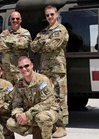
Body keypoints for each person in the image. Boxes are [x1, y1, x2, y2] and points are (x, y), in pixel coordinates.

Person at [30, 5, 69, 138]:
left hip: (57, 69)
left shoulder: (61, 29)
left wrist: (43, 43)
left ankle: (62, 126)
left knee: (60, 97)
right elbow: (33, 46)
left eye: (52, 14)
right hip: (45, 71)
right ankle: (51, 125)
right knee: (48, 97)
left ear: (56, 14)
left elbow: (54, 45)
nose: (50, 17)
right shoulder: (44, 32)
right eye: (47, 15)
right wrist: (44, 41)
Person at [6, 56, 59, 139]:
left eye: (26, 66)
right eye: (21, 67)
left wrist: (27, 114)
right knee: (10, 123)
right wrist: (18, 114)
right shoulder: (20, 85)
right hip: (31, 115)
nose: (24, 69)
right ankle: (37, 130)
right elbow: (16, 104)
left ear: (32, 65)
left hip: (48, 111)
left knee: (42, 118)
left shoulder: (42, 80)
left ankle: (47, 131)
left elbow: (48, 102)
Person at [0, 11, 31, 85]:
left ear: (20, 20)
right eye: (13, 19)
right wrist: (16, 43)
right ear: (10, 20)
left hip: (20, 70)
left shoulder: (25, 32)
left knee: (22, 90)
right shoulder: (4, 33)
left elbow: (24, 44)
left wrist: (8, 42)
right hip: (7, 69)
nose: (15, 21)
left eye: (17, 19)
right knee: (8, 91)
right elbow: (0, 46)